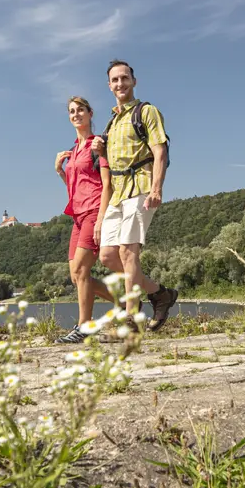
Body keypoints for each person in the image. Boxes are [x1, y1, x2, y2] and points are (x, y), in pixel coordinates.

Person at [93, 59, 179, 332]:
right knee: (107, 256)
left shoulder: (147, 111)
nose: (120, 83)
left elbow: (160, 151)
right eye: (115, 80)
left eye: (124, 78)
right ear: (109, 86)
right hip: (118, 194)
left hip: (141, 187)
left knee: (128, 252)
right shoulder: (113, 120)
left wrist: (156, 188)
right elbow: (110, 162)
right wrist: (100, 149)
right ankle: (159, 294)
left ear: (134, 81)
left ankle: (131, 317)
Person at [53, 96, 116, 344]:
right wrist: (60, 170)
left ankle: (84, 326)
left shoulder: (97, 145)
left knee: (81, 269)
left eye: (80, 110)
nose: (76, 114)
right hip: (77, 215)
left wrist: (101, 219)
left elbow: (107, 183)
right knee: (76, 275)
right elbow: (75, 186)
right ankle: (126, 301)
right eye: (71, 111)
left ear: (90, 113)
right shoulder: (73, 150)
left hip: (94, 210)